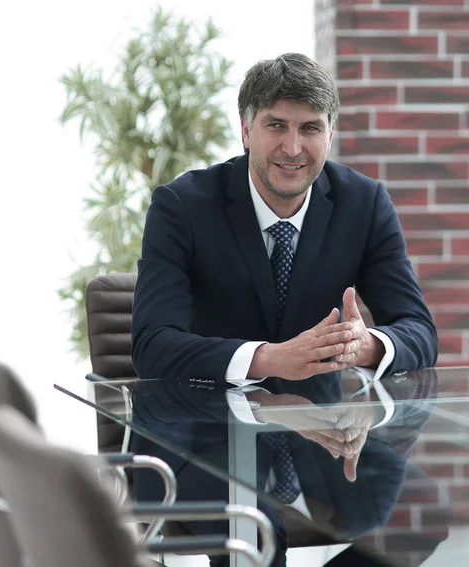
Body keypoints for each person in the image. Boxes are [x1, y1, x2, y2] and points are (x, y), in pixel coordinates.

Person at [130, 53, 438, 566]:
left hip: (317, 437)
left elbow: (418, 331)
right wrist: (270, 359)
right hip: (196, 442)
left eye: (310, 129)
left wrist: (369, 346)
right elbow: (152, 344)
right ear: (246, 128)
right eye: (277, 125)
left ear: (330, 133)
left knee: (423, 509)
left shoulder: (364, 204)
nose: (293, 147)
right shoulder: (182, 206)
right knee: (255, 529)